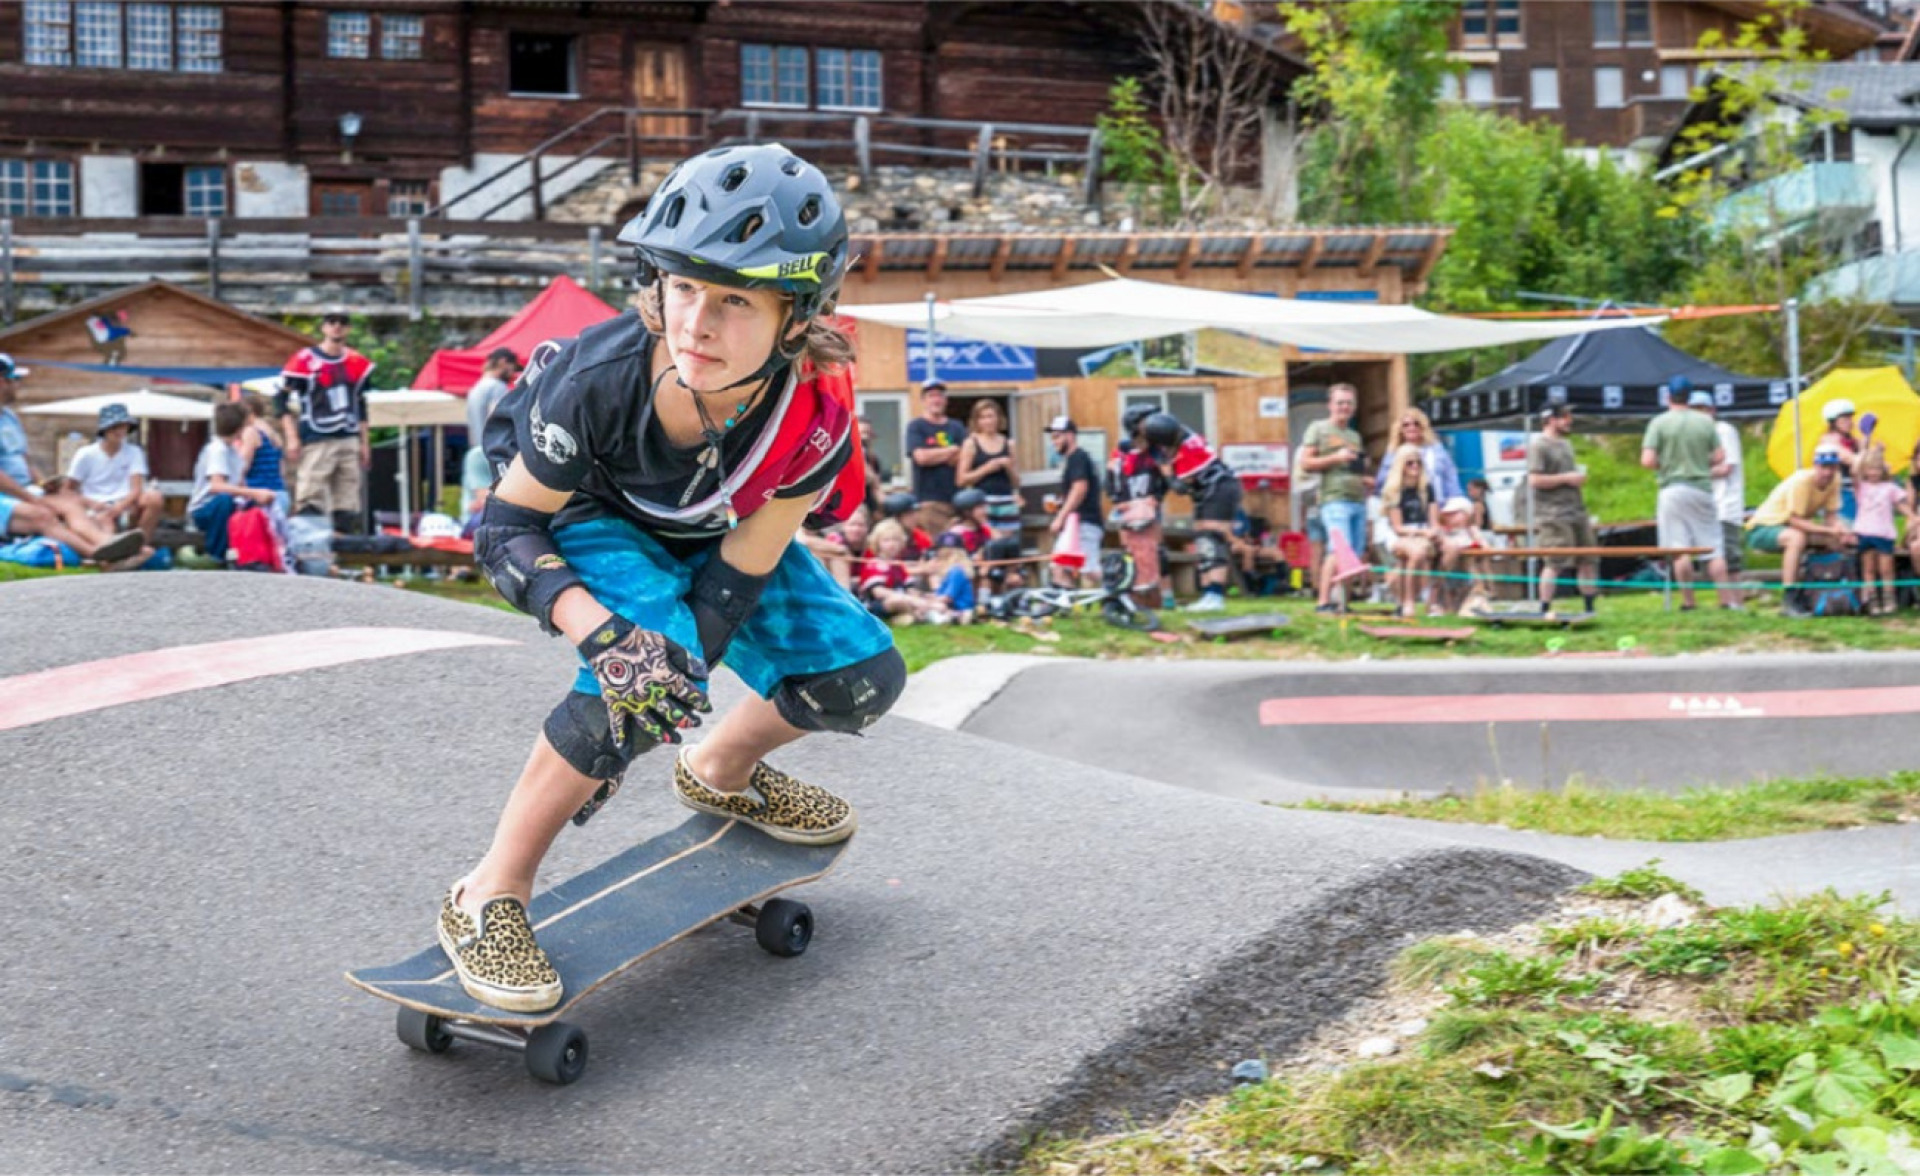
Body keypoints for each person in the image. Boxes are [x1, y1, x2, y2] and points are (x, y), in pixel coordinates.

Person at [448, 144, 903, 1014]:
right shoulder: (597, 380)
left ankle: (718, 769)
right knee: (638, 675)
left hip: (715, 527)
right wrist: (608, 645)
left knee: (860, 682)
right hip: (585, 518)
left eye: (735, 299)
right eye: (682, 286)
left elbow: (738, 580)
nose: (695, 321)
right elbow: (506, 529)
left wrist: (672, 694)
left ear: (797, 316)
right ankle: (485, 896)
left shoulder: (814, 418)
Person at [0, 355, 146, 568]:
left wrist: (43, 485)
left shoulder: (10, 418)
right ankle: (102, 558)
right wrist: (31, 497)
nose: (18, 385)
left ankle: (110, 545)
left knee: (71, 501)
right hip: (7, 495)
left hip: (21, 491)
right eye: (14, 379)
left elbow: (25, 461)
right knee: (41, 514)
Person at [277, 308, 374, 535]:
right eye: (331, 321)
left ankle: (344, 553)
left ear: (348, 328)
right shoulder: (304, 361)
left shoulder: (356, 362)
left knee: (348, 497)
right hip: (317, 436)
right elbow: (280, 398)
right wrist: (291, 436)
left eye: (342, 322)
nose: (337, 326)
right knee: (312, 493)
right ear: (324, 327)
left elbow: (361, 404)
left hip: (348, 435)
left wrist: (364, 442)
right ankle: (310, 545)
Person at [1641, 377, 1731, 610]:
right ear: (1690, 397)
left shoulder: (1658, 423)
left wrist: (1668, 464)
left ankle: (1689, 602)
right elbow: (1720, 456)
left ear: (1667, 396)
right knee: (1713, 547)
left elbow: (1647, 460)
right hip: (1701, 487)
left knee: (1679, 549)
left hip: (1671, 488)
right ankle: (1726, 601)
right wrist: (1700, 461)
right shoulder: (1705, 422)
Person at [1138, 411, 1242, 612]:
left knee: (1212, 539)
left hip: (1219, 489)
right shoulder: (1185, 435)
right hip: (1209, 491)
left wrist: (1167, 473)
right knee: (1202, 541)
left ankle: (1216, 596)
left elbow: (1180, 488)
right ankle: (1207, 595)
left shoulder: (1189, 454)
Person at [1746, 445, 1852, 618]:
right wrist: (1828, 530)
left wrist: (1841, 530)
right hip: (1764, 527)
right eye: (1823, 467)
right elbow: (1794, 520)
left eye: (1832, 467)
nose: (1827, 473)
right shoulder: (1801, 482)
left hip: (1791, 527)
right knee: (1796, 538)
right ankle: (1790, 597)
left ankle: (1831, 592)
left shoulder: (1835, 479)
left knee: (1835, 541)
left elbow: (1831, 515)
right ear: (1815, 466)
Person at [1298, 383, 1368, 613]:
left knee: (1354, 554)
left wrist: (1366, 478)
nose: (1344, 407)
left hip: (1357, 498)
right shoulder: (1318, 428)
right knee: (1339, 550)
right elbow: (1306, 463)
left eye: (1349, 403)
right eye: (1340, 402)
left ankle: (1343, 603)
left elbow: (1354, 469)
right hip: (1333, 498)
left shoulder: (1354, 436)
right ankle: (1323, 602)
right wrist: (1336, 458)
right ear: (1330, 405)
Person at [1528, 404, 1599, 616]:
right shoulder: (1538, 446)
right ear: (1551, 419)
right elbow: (1535, 480)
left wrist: (1576, 479)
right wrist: (1566, 478)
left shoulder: (1566, 444)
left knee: (1588, 559)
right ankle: (1544, 607)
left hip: (1576, 510)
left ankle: (1589, 607)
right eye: (1565, 417)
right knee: (1555, 562)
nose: (1569, 420)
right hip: (1552, 514)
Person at [189, 401, 278, 562]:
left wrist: (254, 498)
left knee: (256, 511)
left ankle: (256, 556)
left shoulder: (232, 451)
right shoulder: (217, 450)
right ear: (239, 428)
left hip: (230, 505)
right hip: (207, 510)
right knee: (225, 500)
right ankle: (216, 554)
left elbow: (240, 482)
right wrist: (254, 492)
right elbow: (217, 486)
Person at [65, 403, 164, 540]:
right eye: (114, 427)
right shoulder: (85, 454)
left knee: (154, 497)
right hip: (95, 505)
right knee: (106, 527)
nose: (120, 431)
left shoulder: (134, 452)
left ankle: (141, 543)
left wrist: (119, 507)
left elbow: (136, 488)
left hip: (126, 505)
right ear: (104, 429)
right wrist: (92, 504)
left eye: (123, 426)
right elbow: (69, 490)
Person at [1110, 403, 1167, 610]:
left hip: (1150, 506)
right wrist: (1119, 499)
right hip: (1128, 507)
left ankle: (1160, 594)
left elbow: (1164, 479)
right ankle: (1132, 592)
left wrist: (1157, 497)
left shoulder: (1157, 451)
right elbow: (1114, 477)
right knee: (1130, 549)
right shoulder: (1123, 449)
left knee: (1155, 549)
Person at [1044, 416, 1103, 589]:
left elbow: (1079, 489)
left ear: (1070, 436)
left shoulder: (1078, 458)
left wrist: (1060, 518)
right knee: (1060, 565)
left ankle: (1121, 583)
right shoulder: (1073, 460)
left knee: (1088, 570)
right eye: (1052, 437)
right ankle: (1065, 602)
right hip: (1076, 523)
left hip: (1084, 521)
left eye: (1057, 436)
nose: (1054, 442)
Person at [1699, 395, 1746, 608]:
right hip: (1706, 505)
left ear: (1712, 410)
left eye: (1702, 409)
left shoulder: (1723, 431)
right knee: (1714, 556)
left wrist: (1695, 472)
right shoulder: (1698, 436)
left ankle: (1737, 603)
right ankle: (1725, 602)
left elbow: (1727, 467)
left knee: (1730, 558)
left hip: (1726, 504)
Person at [1381, 445, 1437, 618]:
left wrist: (1432, 531)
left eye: (1418, 462)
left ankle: (1432, 600)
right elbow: (1397, 527)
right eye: (1409, 463)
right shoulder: (1393, 491)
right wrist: (1422, 533)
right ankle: (1409, 601)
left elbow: (1434, 520)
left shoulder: (1427, 488)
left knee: (1448, 549)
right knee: (1417, 552)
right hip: (1401, 533)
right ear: (1401, 466)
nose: (1415, 466)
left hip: (1423, 531)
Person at [905, 380, 967, 534]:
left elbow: (965, 457)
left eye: (940, 396)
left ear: (945, 400)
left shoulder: (957, 427)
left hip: (958, 500)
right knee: (936, 547)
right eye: (931, 396)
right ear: (923, 401)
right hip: (928, 501)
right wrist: (951, 449)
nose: (936, 400)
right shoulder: (916, 426)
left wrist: (935, 455)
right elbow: (921, 458)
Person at [462, 347, 520, 511]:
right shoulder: (497, 387)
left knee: (472, 507)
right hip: (491, 453)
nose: (513, 374)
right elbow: (498, 417)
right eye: (512, 368)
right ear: (503, 363)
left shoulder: (475, 389)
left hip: (474, 451)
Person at [954, 398, 1020, 539]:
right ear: (977, 421)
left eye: (991, 416)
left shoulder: (1008, 443)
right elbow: (961, 480)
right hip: (982, 504)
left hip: (1006, 503)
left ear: (998, 418)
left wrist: (1009, 467)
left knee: (1008, 546)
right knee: (987, 545)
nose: (988, 421)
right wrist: (985, 469)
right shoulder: (971, 443)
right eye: (982, 417)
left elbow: (1017, 483)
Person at [859, 518, 944, 625]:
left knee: (930, 599)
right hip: (877, 604)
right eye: (886, 540)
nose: (892, 544)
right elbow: (878, 592)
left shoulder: (898, 565)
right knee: (898, 601)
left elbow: (909, 589)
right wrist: (911, 599)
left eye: (895, 540)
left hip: (903, 599)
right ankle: (919, 615)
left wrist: (923, 597)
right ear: (877, 543)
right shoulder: (875, 564)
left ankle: (911, 616)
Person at [1853, 453, 1905, 615]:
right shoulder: (1861, 487)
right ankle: (1871, 599)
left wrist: (1912, 516)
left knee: (1886, 568)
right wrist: (1864, 450)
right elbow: (1854, 470)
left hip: (1883, 533)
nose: (1874, 473)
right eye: (1870, 469)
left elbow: (1900, 504)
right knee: (1868, 568)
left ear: (1882, 470)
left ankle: (1889, 598)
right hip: (1865, 532)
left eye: (1877, 469)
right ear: (1865, 471)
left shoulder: (1890, 487)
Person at [1373, 406, 1461, 503]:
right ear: (1400, 429)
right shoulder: (1393, 453)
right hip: (1404, 505)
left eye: (1416, 423)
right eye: (1406, 425)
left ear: (1423, 427)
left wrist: (1455, 501)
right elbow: (1382, 483)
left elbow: (1450, 477)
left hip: (1438, 504)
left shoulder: (1436, 450)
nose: (1412, 427)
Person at [1433, 496, 1492, 614]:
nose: (1449, 517)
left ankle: (1472, 601)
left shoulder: (1471, 530)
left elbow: (1485, 546)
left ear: (1467, 515)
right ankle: (1445, 607)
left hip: (1467, 571)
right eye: (1447, 514)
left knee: (1472, 571)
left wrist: (1478, 543)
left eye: (1454, 514)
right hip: (1448, 571)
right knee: (1448, 591)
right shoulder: (1444, 531)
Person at [234, 392, 290, 516]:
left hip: (261, 498)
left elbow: (242, 466)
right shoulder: (274, 435)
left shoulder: (251, 432)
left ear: (249, 410)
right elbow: (283, 471)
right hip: (280, 495)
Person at [1816, 397, 1865, 520]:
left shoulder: (1854, 440)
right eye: (1844, 419)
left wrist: (1867, 439)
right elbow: (1852, 459)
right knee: (1848, 527)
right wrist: (1865, 445)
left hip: (1856, 489)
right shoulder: (1829, 440)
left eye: (1850, 418)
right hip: (1840, 491)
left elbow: (1869, 462)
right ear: (1833, 422)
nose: (1849, 422)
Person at [929, 532, 977, 624]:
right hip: (950, 605)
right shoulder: (952, 570)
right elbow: (941, 594)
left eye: (938, 550)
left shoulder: (956, 570)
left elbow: (948, 597)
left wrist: (928, 602)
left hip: (959, 607)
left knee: (930, 611)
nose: (936, 554)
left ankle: (957, 617)